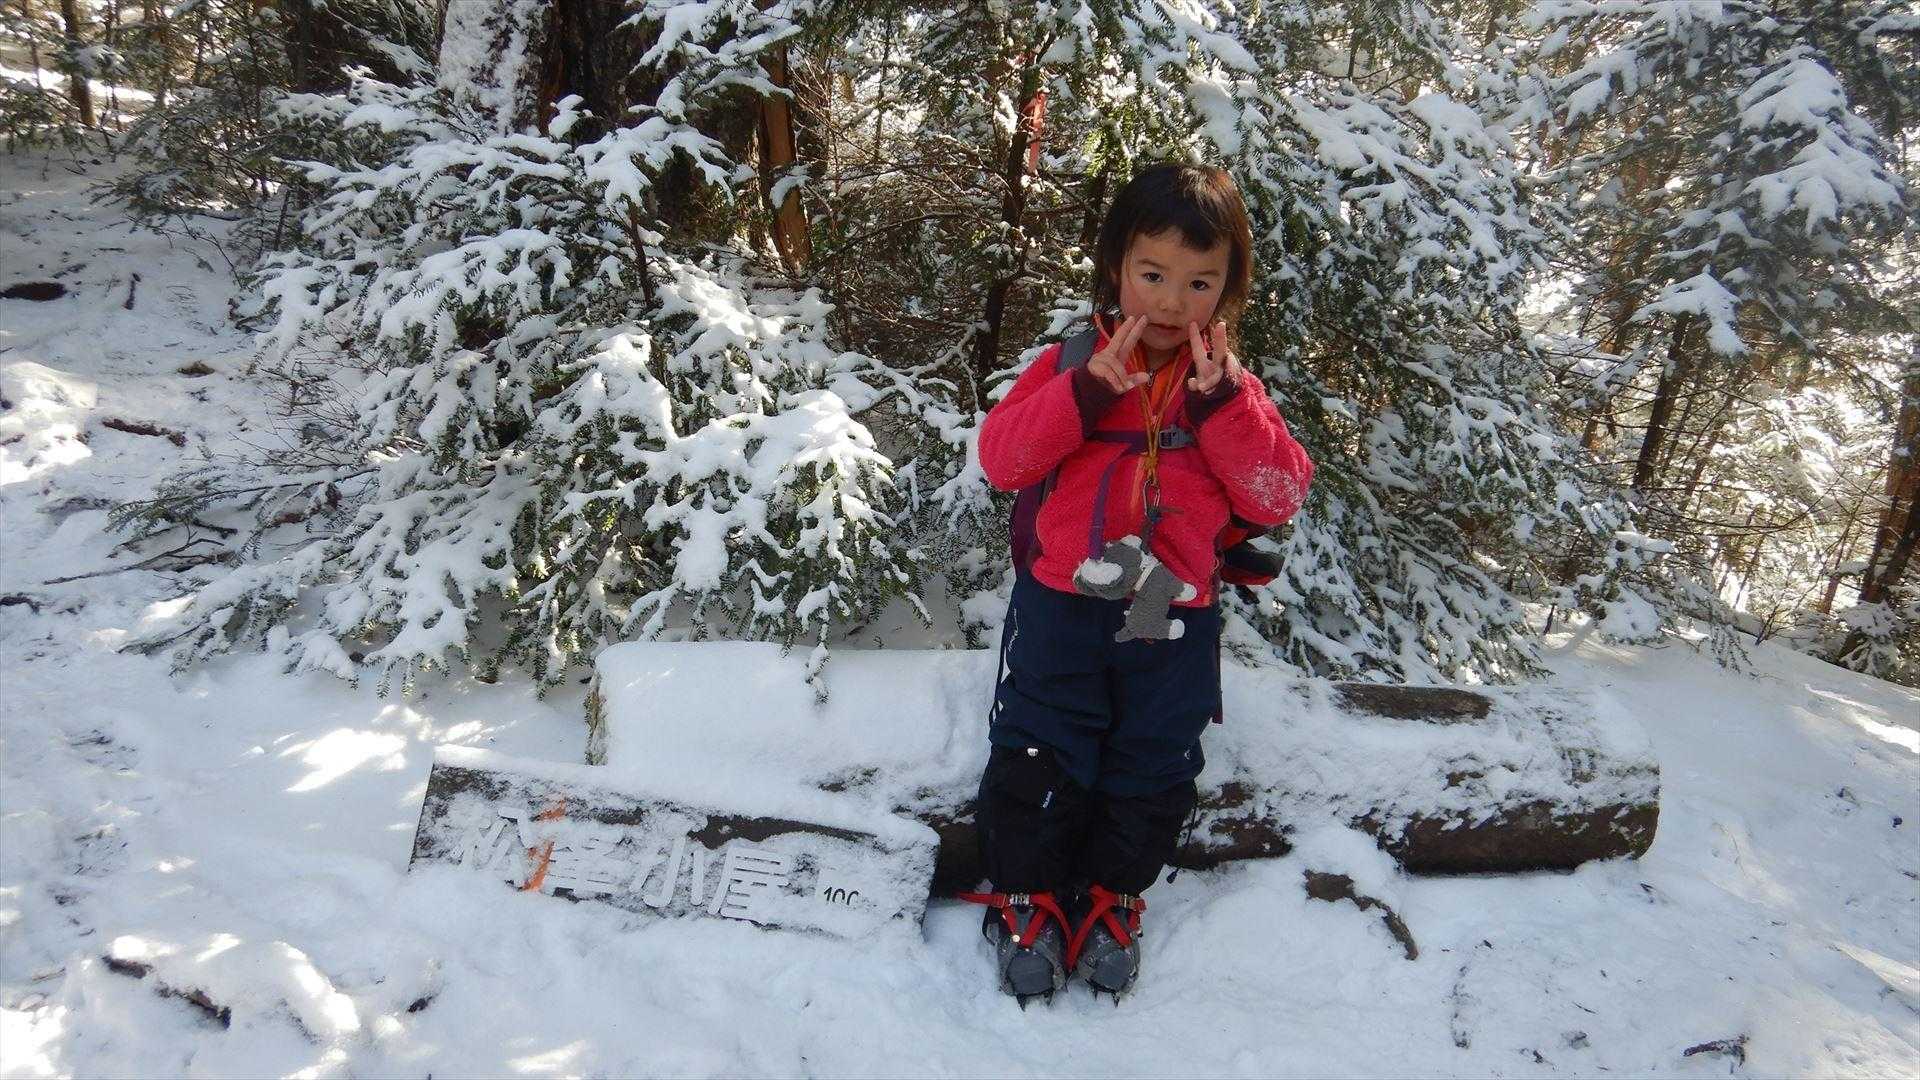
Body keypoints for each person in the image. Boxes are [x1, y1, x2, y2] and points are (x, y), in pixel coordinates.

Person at [966, 163, 1315, 1004]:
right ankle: (1028, 897)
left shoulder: (1230, 390)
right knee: (1041, 746)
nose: (1170, 302)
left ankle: (1113, 898)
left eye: (1199, 283)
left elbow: (1278, 494)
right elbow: (1004, 460)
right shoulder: (1071, 362)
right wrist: (1085, 394)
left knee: (1153, 759)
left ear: (1227, 289)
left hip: (1170, 607)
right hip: (1064, 601)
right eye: (1152, 274)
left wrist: (1223, 408)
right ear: (1117, 266)